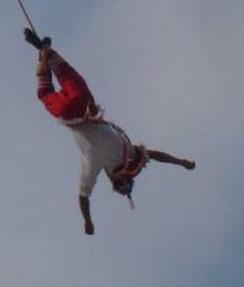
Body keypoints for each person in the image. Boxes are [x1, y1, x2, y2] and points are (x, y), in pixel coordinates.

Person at [24, 28, 196, 235]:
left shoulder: (120, 157)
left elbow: (154, 156)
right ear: (113, 178)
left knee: (69, 80)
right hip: (76, 112)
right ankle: (45, 55)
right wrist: (87, 221)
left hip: (82, 107)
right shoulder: (108, 161)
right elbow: (83, 196)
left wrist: (181, 162)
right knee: (50, 91)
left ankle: (46, 54)